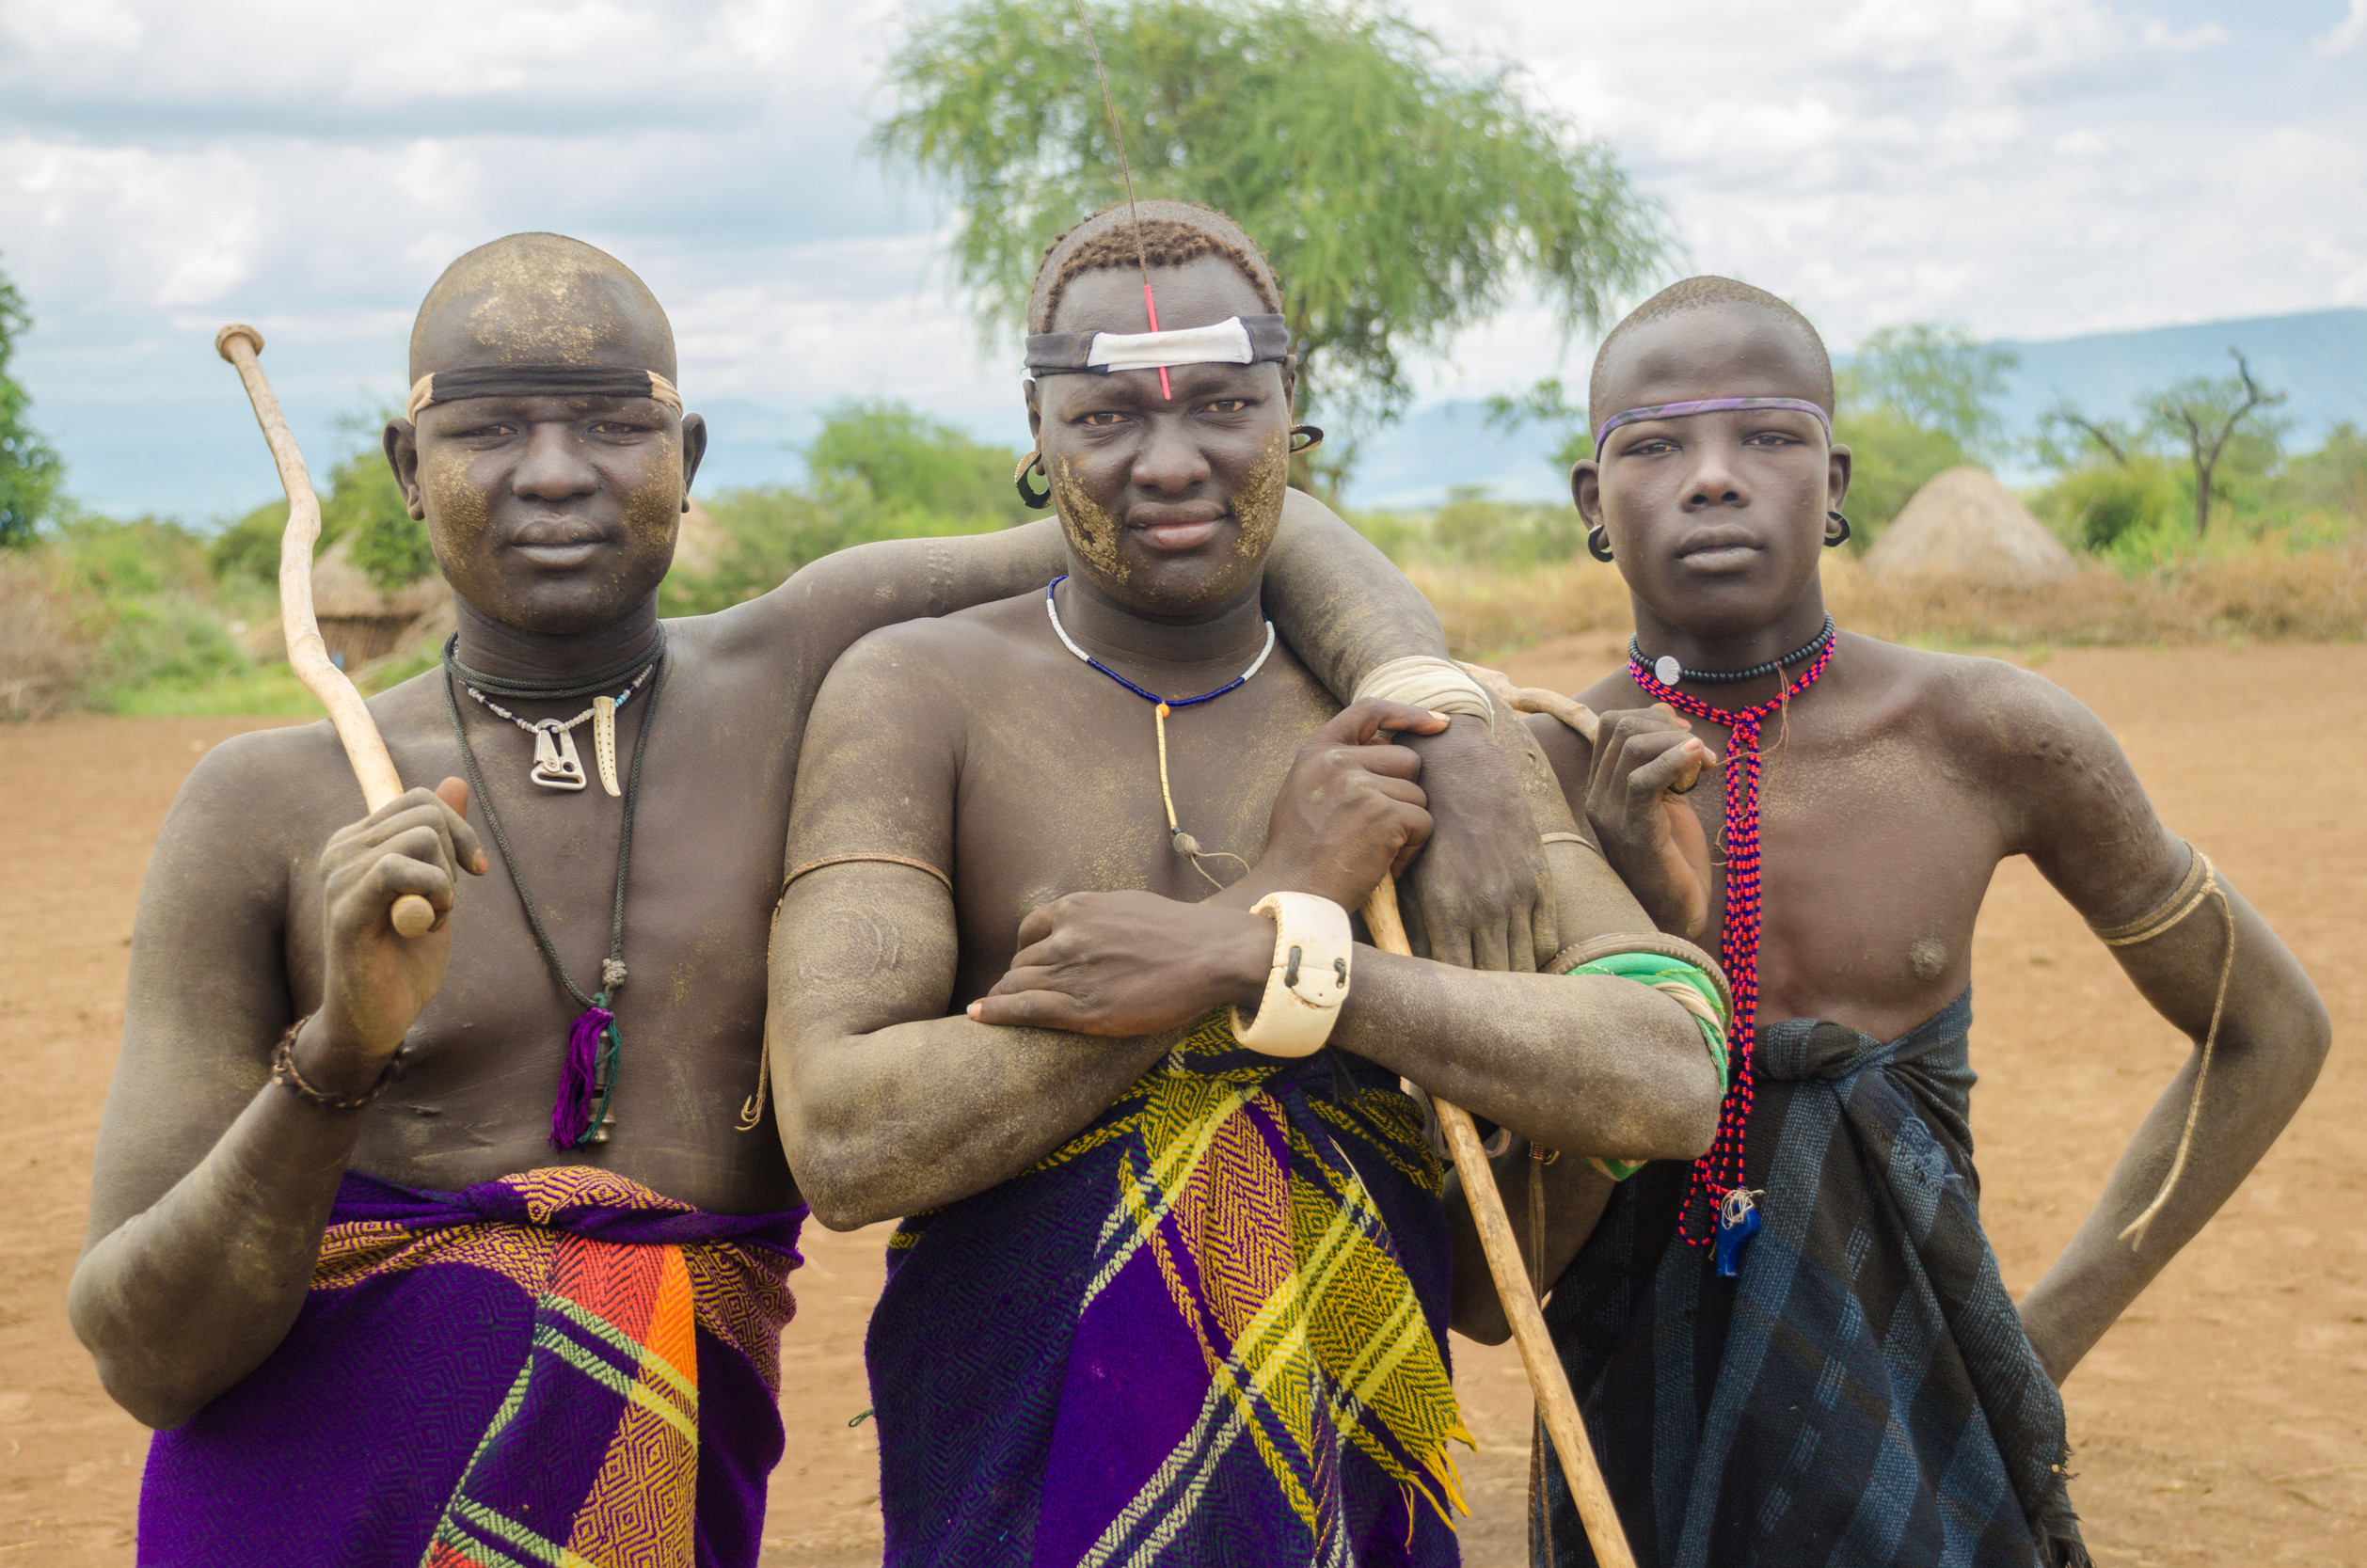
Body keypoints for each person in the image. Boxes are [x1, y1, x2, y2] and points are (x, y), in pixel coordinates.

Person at [66, 230, 1559, 1567]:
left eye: (610, 423)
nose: (554, 471)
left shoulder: (802, 664)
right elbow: (147, 1355)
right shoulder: (270, 803)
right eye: (489, 429)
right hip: (314, 1515)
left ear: (690, 452)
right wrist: (333, 1060)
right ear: (405, 469)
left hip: (667, 1497)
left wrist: (1449, 719)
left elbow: (1228, 509)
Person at [767, 201, 1732, 1566]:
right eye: (1106, 417)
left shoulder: (1434, 738)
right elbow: (846, 1136)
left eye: (1223, 404)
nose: (1171, 461)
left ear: (1296, 419)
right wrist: (1273, 903)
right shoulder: (918, 692)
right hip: (1020, 1469)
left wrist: (1269, 964)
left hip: (1343, 1460)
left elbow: (1667, 1069)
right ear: (1036, 444)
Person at [1471, 276, 2330, 1567]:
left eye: (1769, 437)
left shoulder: (1986, 734)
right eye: (1654, 446)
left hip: (1930, 1416)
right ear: (1595, 504)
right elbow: (1492, 1288)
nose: (1715, 478)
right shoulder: (1521, 780)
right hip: (1628, 1422)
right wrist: (1644, 970)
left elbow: (2268, 1029)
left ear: (1836, 478)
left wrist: (2033, 1344)